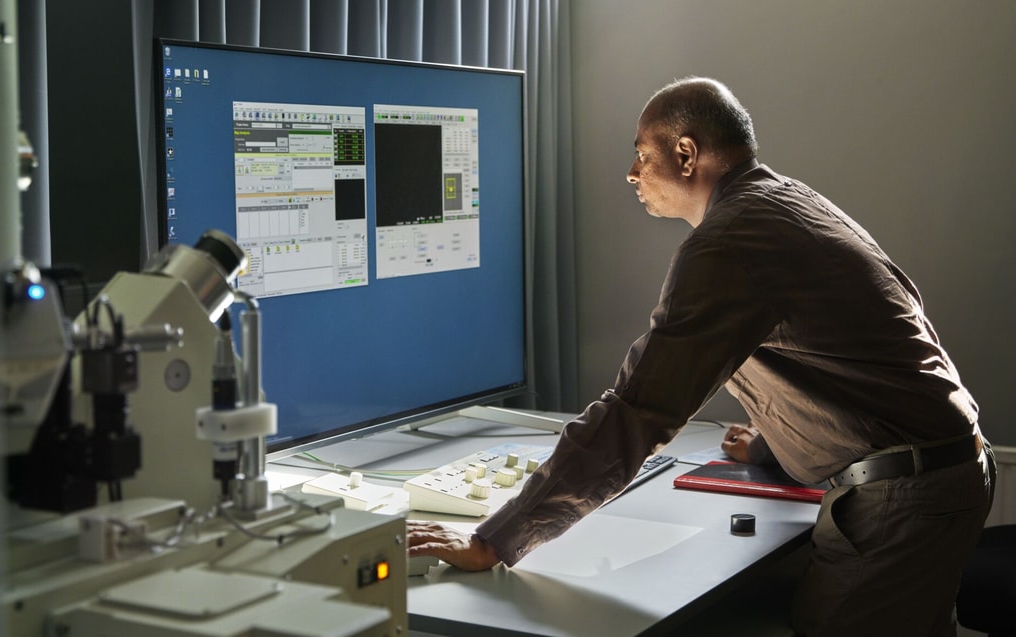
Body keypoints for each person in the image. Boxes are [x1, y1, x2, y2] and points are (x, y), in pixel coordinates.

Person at [406, 77, 994, 637]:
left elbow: (638, 411)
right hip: (942, 470)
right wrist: (771, 447)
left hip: (904, 497)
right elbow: (855, 362)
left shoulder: (730, 242)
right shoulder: (786, 203)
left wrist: (497, 540)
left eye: (642, 154)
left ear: (687, 155)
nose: (631, 173)